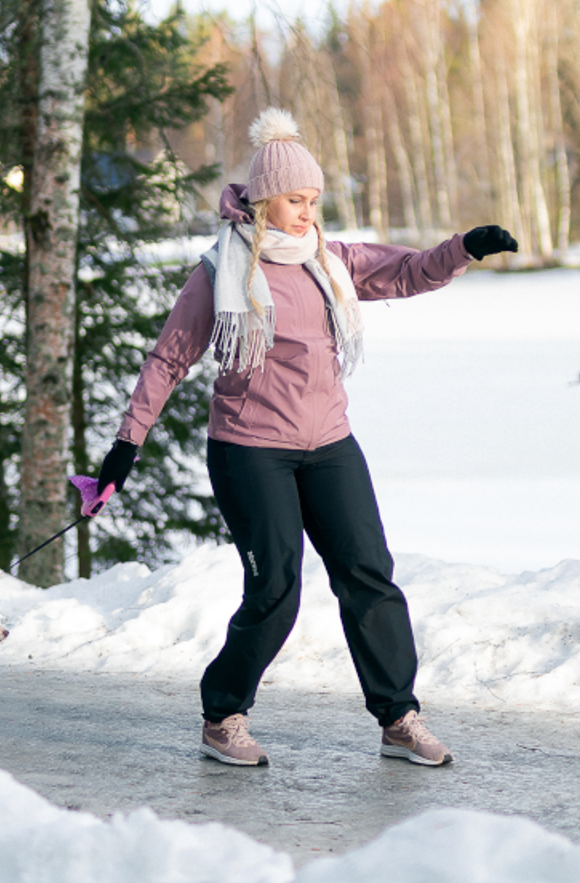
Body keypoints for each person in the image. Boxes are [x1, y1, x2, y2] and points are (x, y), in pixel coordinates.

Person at [92, 108, 518, 767]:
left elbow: (407, 271)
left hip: (330, 444)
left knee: (369, 575)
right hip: (249, 448)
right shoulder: (219, 272)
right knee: (275, 590)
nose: (306, 212)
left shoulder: (331, 260)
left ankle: (397, 715)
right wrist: (127, 443)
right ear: (263, 198)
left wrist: (463, 247)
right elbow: (169, 359)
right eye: (295, 199)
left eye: (314, 200)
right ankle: (222, 715)